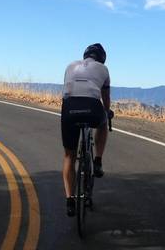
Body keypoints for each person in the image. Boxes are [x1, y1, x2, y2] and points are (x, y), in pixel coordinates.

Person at [61, 43, 113, 217]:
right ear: (102, 58)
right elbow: (105, 98)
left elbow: (67, 92)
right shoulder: (103, 69)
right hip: (92, 107)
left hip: (69, 108)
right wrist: (107, 112)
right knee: (103, 122)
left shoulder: (70, 65)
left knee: (69, 155)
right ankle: (97, 160)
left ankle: (70, 200)